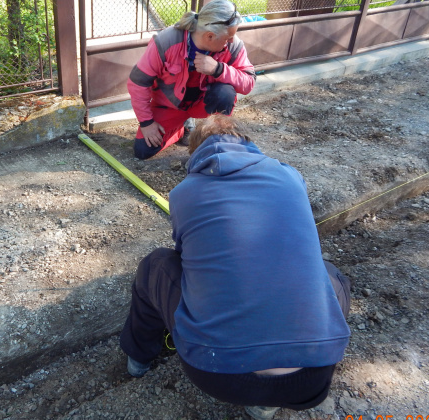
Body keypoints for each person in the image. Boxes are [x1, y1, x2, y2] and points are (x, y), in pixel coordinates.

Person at [119, 115, 352, 419]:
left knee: (156, 266)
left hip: (217, 372)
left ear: (196, 151)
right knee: (329, 274)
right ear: (248, 142)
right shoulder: (290, 176)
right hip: (313, 378)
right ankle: (266, 403)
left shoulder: (184, 193)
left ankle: (138, 357)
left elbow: (185, 257)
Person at [127, 0, 256, 160]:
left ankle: (217, 143)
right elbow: (138, 82)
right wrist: (147, 123)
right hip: (170, 106)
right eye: (228, 37)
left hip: (203, 103)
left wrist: (219, 69)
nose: (231, 40)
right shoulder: (166, 40)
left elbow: (249, 81)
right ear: (210, 36)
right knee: (143, 150)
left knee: (225, 93)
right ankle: (181, 129)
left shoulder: (233, 46)